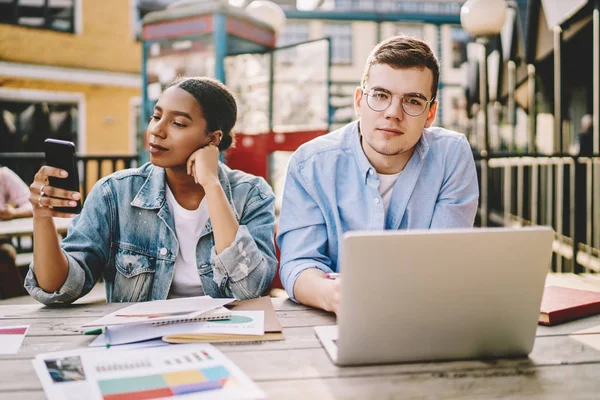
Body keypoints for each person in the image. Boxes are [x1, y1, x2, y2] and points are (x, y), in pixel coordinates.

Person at [24, 77, 278, 305]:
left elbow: (250, 289)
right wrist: (42, 217)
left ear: (213, 138)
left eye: (178, 123)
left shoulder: (252, 194)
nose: (156, 130)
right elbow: (57, 288)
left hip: (226, 339)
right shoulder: (114, 193)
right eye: (156, 117)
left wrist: (211, 184)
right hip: (142, 341)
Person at [277, 35, 479, 313]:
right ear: (359, 101)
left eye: (413, 101)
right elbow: (298, 263)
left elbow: (444, 263)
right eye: (381, 96)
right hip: (333, 321)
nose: (393, 113)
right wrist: (333, 295)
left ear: (430, 113)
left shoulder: (451, 155)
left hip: (424, 315)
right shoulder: (310, 164)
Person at [0, 166, 33, 298]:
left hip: (1, 241)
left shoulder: (3, 175)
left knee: (4, 255)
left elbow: (33, 203)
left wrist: (14, 213)